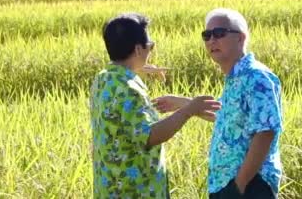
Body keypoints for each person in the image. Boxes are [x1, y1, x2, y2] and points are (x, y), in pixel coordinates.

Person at [154, 8, 283, 198]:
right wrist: (183, 103)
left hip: (250, 187)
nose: (212, 40)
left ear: (240, 38)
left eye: (219, 33)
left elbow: (265, 132)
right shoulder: (235, 78)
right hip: (228, 185)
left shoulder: (256, 77)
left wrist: (240, 184)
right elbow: (224, 114)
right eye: (207, 35)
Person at [90, 13, 221, 198]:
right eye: (150, 46)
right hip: (134, 190)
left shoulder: (103, 79)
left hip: (109, 186)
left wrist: (137, 68)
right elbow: (150, 136)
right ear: (137, 50)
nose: (151, 51)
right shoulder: (128, 89)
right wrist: (189, 109)